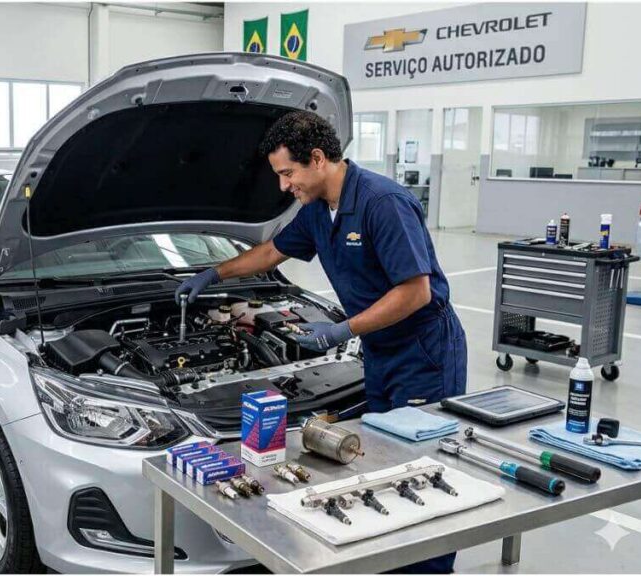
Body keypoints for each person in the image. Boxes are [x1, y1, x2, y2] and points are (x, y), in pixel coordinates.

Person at [176, 111, 467, 574]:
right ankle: (389, 559)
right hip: (379, 348)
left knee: (423, 464)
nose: (283, 185)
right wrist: (213, 273)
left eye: (287, 173)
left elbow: (416, 292)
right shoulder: (317, 210)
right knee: (385, 458)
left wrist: (340, 331)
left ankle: (430, 568)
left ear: (317, 159)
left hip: (423, 350)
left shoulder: (382, 203)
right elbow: (272, 252)